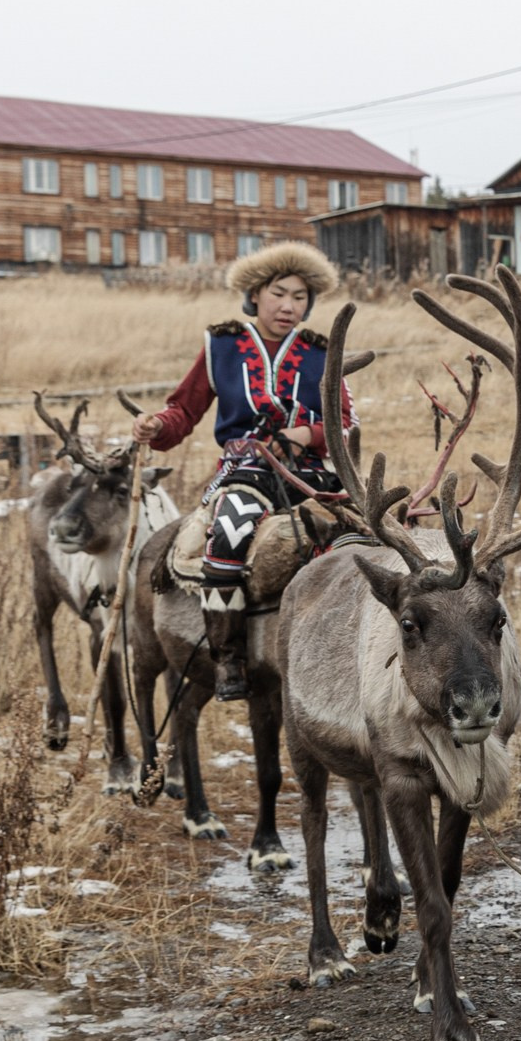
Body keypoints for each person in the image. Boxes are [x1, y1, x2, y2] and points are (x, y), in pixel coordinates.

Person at [131, 242, 351, 700]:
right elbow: (183, 411)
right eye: (279, 294)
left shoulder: (321, 353)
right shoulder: (222, 346)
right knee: (229, 533)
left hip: (313, 474)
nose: (289, 306)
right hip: (246, 471)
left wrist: (305, 434)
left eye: (300, 297)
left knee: (364, 536)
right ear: (254, 294)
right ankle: (228, 657)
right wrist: (156, 427)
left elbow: (345, 424)